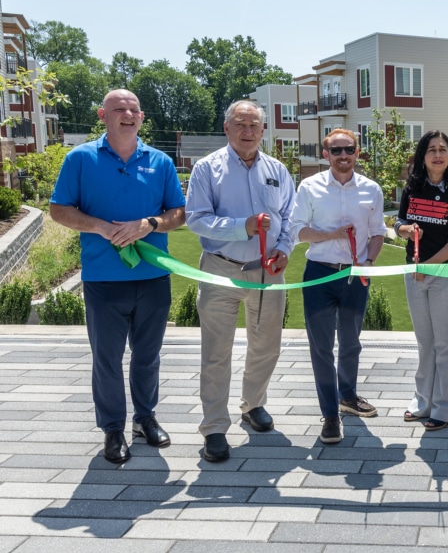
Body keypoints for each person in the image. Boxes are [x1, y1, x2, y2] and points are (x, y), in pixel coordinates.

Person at [50, 89, 185, 464]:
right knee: (106, 359)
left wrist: (149, 223)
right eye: (119, 109)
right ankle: (112, 428)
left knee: (148, 355)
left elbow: (179, 213)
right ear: (102, 115)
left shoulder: (160, 161)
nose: (127, 114)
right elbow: (59, 209)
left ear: (141, 117)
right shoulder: (80, 158)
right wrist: (99, 227)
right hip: (104, 279)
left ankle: (145, 419)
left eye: (133, 109)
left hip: (154, 275)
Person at [186, 100, 295, 463]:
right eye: (240, 124)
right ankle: (215, 427)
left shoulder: (278, 169)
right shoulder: (207, 169)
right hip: (220, 268)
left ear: (264, 131)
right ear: (226, 127)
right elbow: (197, 219)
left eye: (254, 125)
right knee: (216, 353)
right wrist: (241, 226)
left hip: (268, 271)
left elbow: (290, 217)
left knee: (266, 346)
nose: (248, 131)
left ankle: (253, 404)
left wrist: (284, 249)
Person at [290, 129, 386, 445]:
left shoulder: (371, 190)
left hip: (356, 275)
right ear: (325, 153)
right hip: (319, 274)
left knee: (351, 341)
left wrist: (369, 263)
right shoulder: (309, 187)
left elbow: (377, 233)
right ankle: (330, 415)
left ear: (358, 152)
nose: (343, 155)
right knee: (321, 347)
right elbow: (299, 232)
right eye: (336, 150)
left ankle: (348, 395)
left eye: (349, 149)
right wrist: (332, 234)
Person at [395, 130, 448, 431]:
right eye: (431, 149)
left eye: (443, 149)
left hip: (447, 275)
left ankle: (444, 407)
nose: (437, 154)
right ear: (422, 156)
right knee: (425, 342)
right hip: (414, 274)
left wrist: (427, 265)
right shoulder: (411, 188)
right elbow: (400, 222)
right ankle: (422, 401)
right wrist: (405, 231)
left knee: (446, 343)